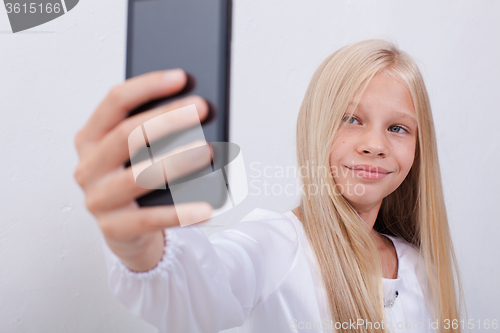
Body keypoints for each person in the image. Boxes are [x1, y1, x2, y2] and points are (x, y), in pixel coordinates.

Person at [74, 39, 466, 332]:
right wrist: (143, 248)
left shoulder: (417, 266)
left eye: (398, 128)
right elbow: (193, 296)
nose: (375, 145)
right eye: (351, 119)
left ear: (418, 148)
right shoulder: (277, 244)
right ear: (316, 128)